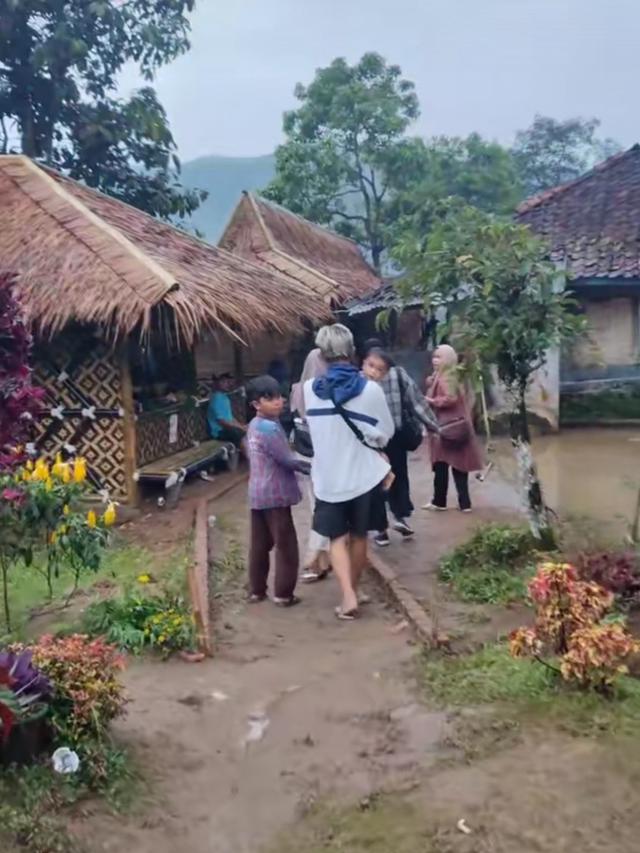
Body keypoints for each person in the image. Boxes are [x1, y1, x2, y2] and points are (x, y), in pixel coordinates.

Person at [304, 324, 394, 620]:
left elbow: (313, 432)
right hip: (364, 476)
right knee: (359, 536)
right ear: (352, 351)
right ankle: (354, 590)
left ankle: (348, 596)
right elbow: (386, 432)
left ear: (322, 353)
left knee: (336, 540)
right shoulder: (370, 389)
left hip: (328, 478)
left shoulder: (308, 390)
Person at [362, 346, 439, 546]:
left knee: (381, 482)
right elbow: (417, 403)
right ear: (364, 363)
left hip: (376, 441)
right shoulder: (363, 381)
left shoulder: (360, 381)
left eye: (379, 368)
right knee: (395, 478)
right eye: (371, 365)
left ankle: (384, 528)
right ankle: (395, 519)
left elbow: (416, 401)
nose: (374, 371)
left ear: (386, 368)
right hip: (383, 439)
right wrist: (433, 425)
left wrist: (434, 427)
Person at [246, 375, 310, 607]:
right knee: (286, 546)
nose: (278, 401)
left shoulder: (253, 426)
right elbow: (286, 459)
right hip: (275, 494)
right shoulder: (271, 428)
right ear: (256, 404)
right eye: (270, 398)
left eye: (279, 396)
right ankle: (283, 594)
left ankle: (257, 591)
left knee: (259, 544)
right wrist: (309, 466)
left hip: (256, 492)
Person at [424, 344, 483, 512]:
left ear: (448, 359)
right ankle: (464, 504)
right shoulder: (451, 375)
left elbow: (450, 398)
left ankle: (439, 501)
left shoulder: (445, 378)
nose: (435, 360)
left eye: (439, 357)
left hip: (446, 428)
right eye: (434, 356)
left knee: (442, 465)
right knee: (459, 466)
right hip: (458, 427)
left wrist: (432, 401)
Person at [290, 348, 332, 583]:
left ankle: (319, 561)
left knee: (318, 507)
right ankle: (321, 560)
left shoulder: (298, 390)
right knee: (328, 507)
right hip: (327, 455)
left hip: (306, 455)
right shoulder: (330, 390)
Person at [207, 373, 247, 450]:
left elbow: (230, 418)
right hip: (218, 431)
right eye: (223, 382)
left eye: (227, 382)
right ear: (217, 383)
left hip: (227, 428)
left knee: (245, 431)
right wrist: (240, 428)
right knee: (238, 433)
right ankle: (249, 457)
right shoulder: (216, 398)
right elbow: (222, 422)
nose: (227, 384)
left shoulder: (225, 397)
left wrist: (242, 426)